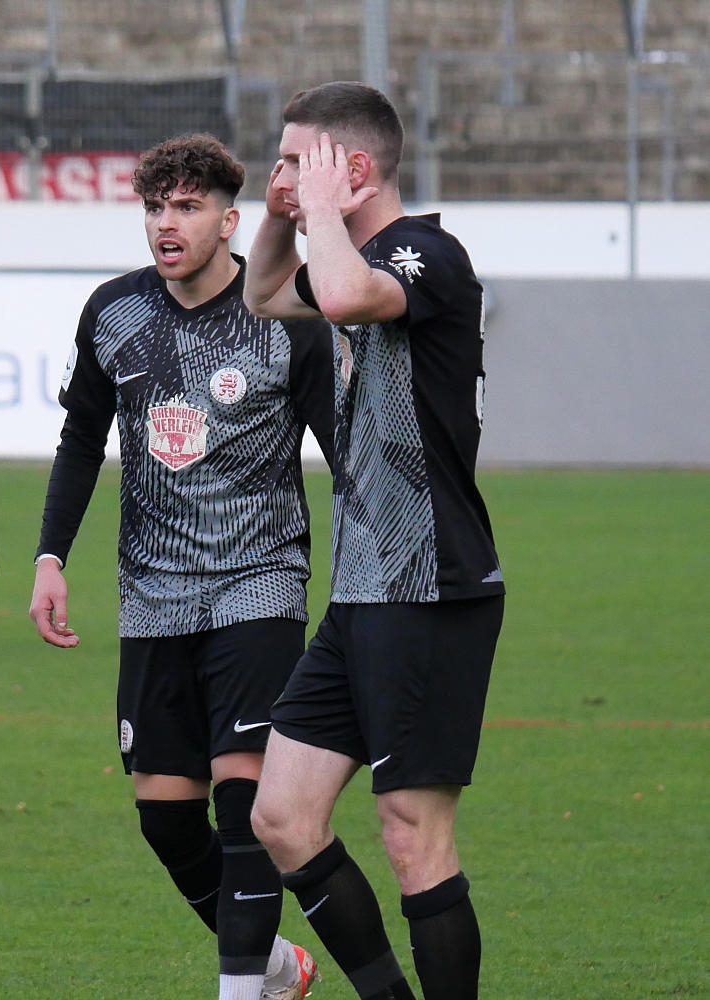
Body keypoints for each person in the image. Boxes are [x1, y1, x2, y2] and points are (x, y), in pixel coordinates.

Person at [28, 133, 331, 1000]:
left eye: (188, 206)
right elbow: (82, 439)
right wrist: (51, 557)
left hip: (259, 586)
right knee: (165, 817)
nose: (167, 223)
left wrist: (371, 570)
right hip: (153, 597)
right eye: (155, 207)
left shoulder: (282, 318)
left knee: (245, 813)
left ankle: (238, 990)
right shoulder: (113, 313)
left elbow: (344, 457)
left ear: (230, 221)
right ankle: (276, 967)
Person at [242, 81, 506, 1000]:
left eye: (294, 158)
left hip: (432, 583)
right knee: (282, 815)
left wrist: (319, 212)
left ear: (353, 168)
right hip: (364, 589)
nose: (278, 173)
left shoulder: (425, 251)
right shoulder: (354, 245)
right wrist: (282, 214)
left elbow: (348, 297)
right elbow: (266, 292)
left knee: (410, 829)